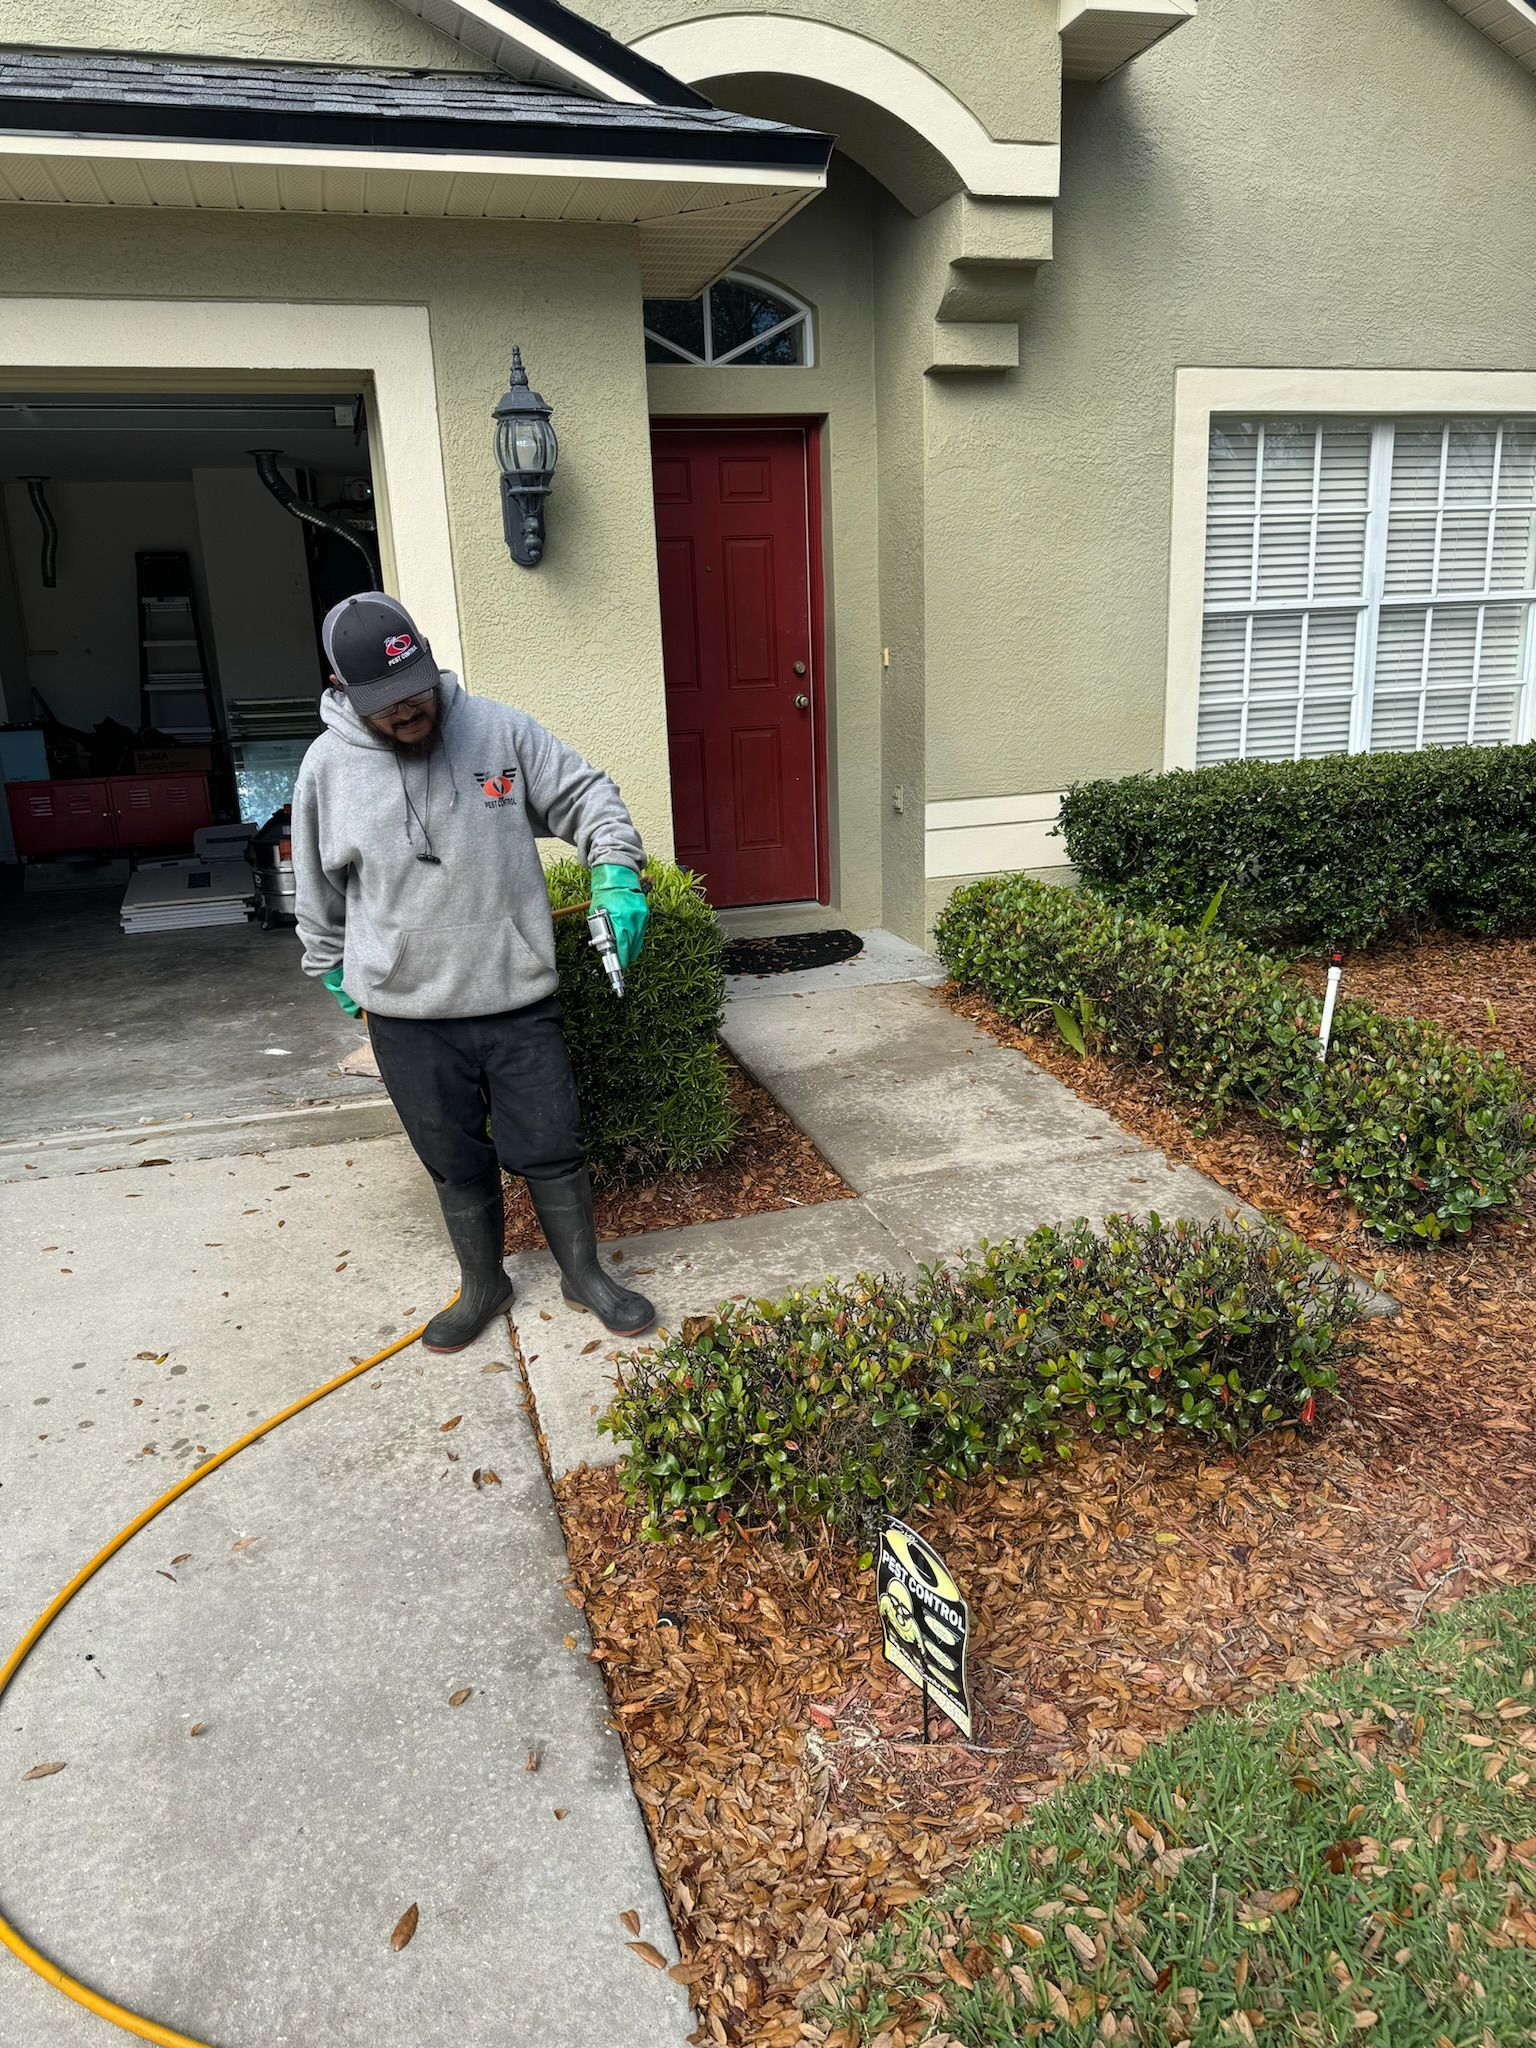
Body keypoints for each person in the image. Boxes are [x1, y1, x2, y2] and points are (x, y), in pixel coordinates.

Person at [292, 591, 655, 1352]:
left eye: (414, 687)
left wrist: (614, 869)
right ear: (343, 693)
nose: (408, 710)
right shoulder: (326, 769)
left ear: (425, 653)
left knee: (552, 1143)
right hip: (407, 1014)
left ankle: (582, 1272)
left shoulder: (498, 729)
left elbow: (588, 795)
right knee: (452, 1157)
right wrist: (333, 969)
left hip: (515, 997)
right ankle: (484, 1283)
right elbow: (319, 894)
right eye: (386, 703)